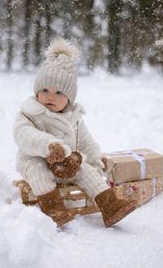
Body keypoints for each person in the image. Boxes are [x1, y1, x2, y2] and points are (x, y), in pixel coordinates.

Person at [13, 38, 137, 227]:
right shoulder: (30, 113)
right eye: (44, 89)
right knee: (38, 171)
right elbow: (24, 135)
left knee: (85, 169)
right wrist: (48, 146)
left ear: (69, 98)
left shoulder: (74, 117)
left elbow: (85, 140)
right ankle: (54, 208)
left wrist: (96, 158)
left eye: (59, 93)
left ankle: (110, 205)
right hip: (35, 160)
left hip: (65, 165)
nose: (49, 96)